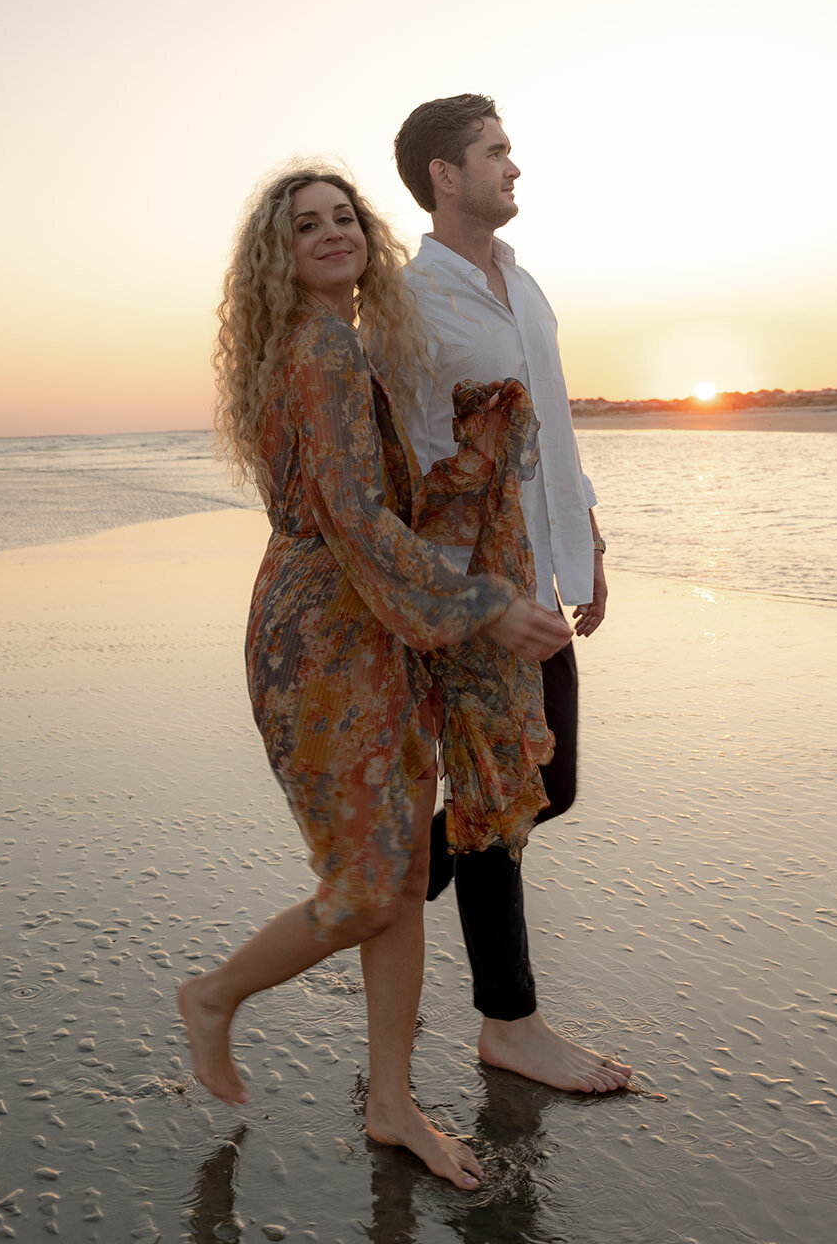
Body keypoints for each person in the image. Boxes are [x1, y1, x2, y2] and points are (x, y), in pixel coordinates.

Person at [178, 162, 571, 1189]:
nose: (330, 233)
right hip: (319, 646)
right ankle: (214, 995)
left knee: (400, 877)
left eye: (344, 216)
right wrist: (482, 598)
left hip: (367, 632)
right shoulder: (316, 352)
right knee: (363, 888)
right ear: (278, 254)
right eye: (304, 224)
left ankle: (392, 1101)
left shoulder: (341, 344)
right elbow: (356, 521)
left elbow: (375, 509)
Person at [391, 94, 633, 1094]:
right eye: (495, 151)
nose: (513, 167)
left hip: (541, 576)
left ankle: (380, 895)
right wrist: (476, 597)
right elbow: (411, 469)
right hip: (475, 598)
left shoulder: (523, 287)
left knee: (549, 786)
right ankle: (509, 1022)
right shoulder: (408, 304)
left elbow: (551, 433)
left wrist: (587, 539)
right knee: (498, 805)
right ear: (444, 175)